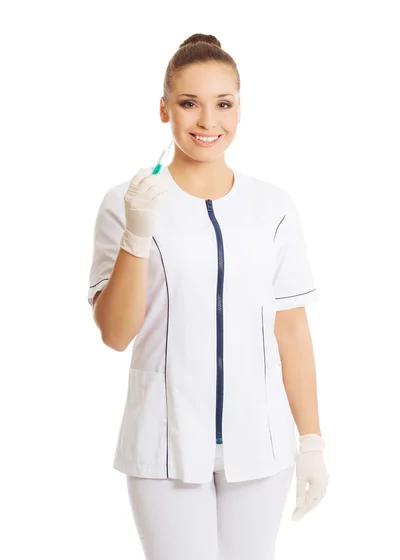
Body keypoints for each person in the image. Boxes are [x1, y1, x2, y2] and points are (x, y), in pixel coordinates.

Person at [87, 33, 329, 560]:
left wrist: (311, 441)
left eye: (223, 104)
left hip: (260, 444)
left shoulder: (274, 206)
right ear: (164, 108)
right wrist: (136, 234)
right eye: (189, 103)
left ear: (240, 109)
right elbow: (115, 333)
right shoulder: (127, 202)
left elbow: (291, 333)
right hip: (164, 442)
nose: (207, 121)